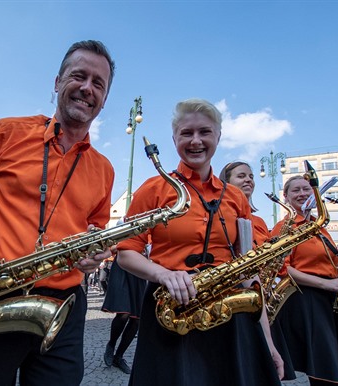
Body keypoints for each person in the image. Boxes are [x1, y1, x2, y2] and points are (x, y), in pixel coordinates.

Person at [0, 40, 116, 386]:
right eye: (78, 76)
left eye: (98, 83)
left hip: (63, 306)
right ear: (56, 82)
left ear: (105, 99)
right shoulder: (8, 131)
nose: (87, 88)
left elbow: (96, 230)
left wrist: (94, 254)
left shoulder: (104, 169)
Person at [117, 98, 283, 386]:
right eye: (186, 133)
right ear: (174, 138)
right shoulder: (154, 189)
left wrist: (267, 341)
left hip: (230, 312)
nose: (195, 141)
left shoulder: (235, 198)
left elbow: (248, 272)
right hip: (171, 306)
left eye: (204, 132)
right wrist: (164, 274)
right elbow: (126, 253)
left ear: (218, 136)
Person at [270, 175, 338, 385]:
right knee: (326, 370)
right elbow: (282, 268)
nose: (302, 194)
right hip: (307, 299)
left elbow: (337, 266)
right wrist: (326, 283)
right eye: (296, 190)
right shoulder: (285, 227)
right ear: (286, 197)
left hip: (332, 298)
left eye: (307, 189)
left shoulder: (320, 226)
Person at [101, 225, 148, 375]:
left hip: (140, 267)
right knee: (123, 313)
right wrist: (120, 245)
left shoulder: (151, 224)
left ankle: (119, 356)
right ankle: (111, 343)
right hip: (122, 265)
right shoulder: (124, 223)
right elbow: (111, 246)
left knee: (137, 319)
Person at [219, 161, 270, 246]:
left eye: (251, 177)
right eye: (241, 176)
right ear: (226, 183)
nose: (248, 180)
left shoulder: (260, 222)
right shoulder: (218, 217)